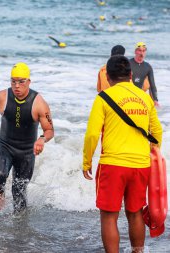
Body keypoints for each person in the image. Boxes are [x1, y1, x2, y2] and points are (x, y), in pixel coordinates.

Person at [83, 55, 162, 253]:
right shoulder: (145, 97)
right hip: (140, 165)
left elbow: (92, 133)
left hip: (113, 164)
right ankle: (138, 251)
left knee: (109, 215)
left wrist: (86, 162)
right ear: (130, 74)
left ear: (107, 77)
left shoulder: (103, 98)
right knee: (135, 212)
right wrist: (152, 153)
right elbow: (157, 132)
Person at [0, 62, 54, 214]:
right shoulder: (2, 97)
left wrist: (42, 139)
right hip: (5, 145)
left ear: (28, 82)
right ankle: (0, 191)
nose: (17, 86)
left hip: (26, 152)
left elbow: (49, 129)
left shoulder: (39, 103)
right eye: (13, 81)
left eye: (21, 81)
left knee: (19, 194)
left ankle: (20, 231)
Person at [129, 42, 159, 107]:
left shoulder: (148, 67)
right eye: (139, 50)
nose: (141, 53)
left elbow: (152, 85)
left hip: (139, 97)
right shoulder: (128, 63)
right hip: (128, 95)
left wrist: (155, 100)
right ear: (135, 52)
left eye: (143, 51)